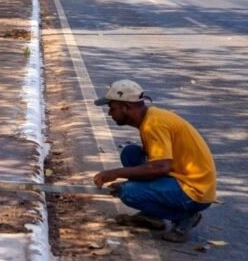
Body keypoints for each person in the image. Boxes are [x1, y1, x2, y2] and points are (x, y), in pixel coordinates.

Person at [92, 80, 217, 243]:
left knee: (129, 192)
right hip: (181, 178)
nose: (110, 113)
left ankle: (185, 217)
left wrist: (115, 174)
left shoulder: (154, 125)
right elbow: (156, 161)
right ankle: (152, 216)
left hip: (195, 191)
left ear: (126, 107)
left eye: (112, 108)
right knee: (131, 153)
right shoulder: (151, 118)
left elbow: (160, 167)